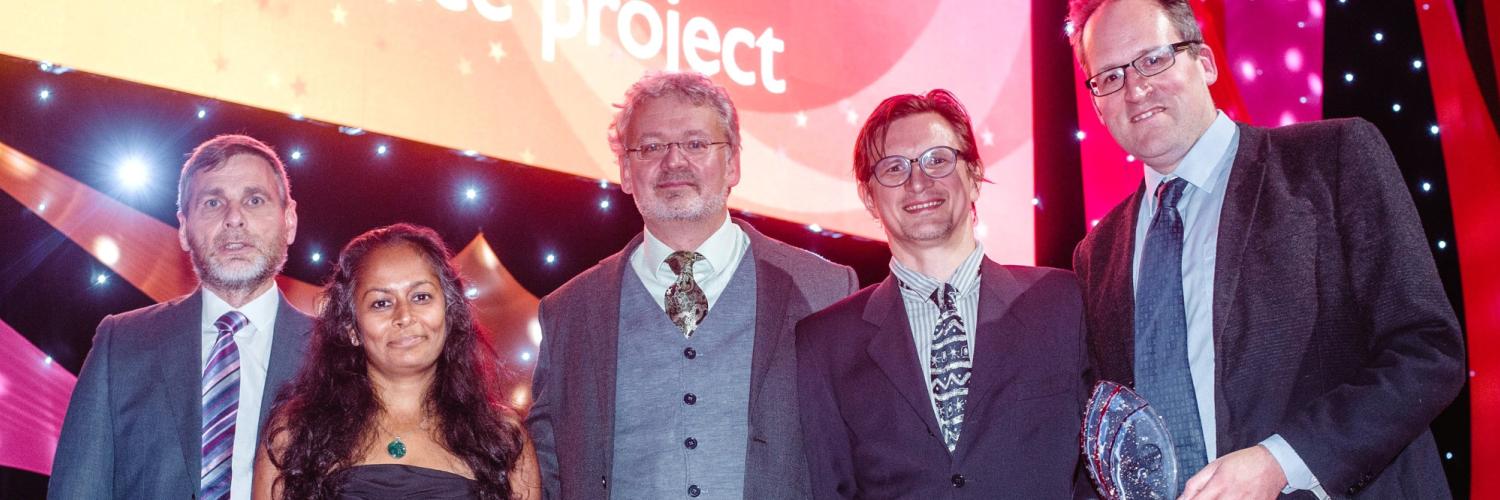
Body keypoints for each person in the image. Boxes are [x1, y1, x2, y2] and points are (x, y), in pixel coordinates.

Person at [1067, 0, 1467, 498]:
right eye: (1109, 76)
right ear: (1096, 103)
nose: (1135, 88)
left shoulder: (1333, 160)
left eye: (1153, 59)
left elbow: (1428, 350)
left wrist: (1281, 461)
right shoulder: (1096, 254)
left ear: (1205, 62)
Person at [524, 71, 859, 499]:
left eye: (696, 144)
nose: (674, 162)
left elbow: (862, 456)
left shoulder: (825, 290)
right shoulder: (569, 310)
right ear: (626, 171)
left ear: (733, 163)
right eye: (651, 147)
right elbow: (546, 468)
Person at [795, 89, 1090, 498]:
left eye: (938, 160)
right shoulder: (824, 344)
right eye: (894, 168)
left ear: (973, 175)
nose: (918, 181)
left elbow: (1099, 469)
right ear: (868, 197)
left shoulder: (1064, 303)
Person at [49, 135, 312, 499]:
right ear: (184, 229)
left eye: (254, 200)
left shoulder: (336, 355)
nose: (234, 218)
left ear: (290, 221)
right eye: (212, 202)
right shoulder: (121, 343)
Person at [251, 223, 540, 499]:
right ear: (351, 329)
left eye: (421, 297)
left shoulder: (502, 439)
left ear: (450, 314)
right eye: (381, 303)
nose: (404, 316)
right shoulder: (296, 435)